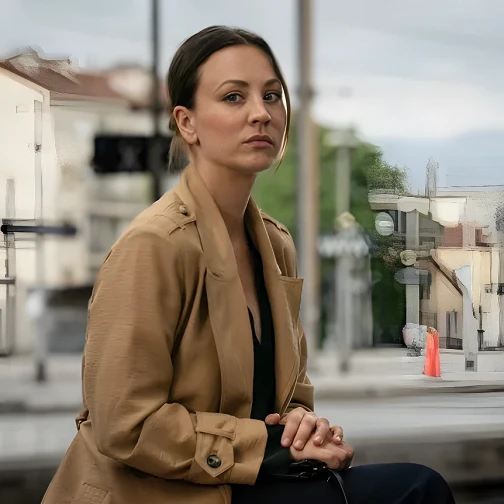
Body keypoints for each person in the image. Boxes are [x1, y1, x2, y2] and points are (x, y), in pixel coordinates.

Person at [42, 26, 455, 504]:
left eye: (271, 96)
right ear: (187, 123)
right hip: (159, 494)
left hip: (244, 485)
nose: (261, 113)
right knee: (415, 491)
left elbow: (290, 396)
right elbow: (125, 423)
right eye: (234, 97)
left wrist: (303, 427)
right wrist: (266, 447)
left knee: (417, 487)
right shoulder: (153, 246)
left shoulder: (276, 245)